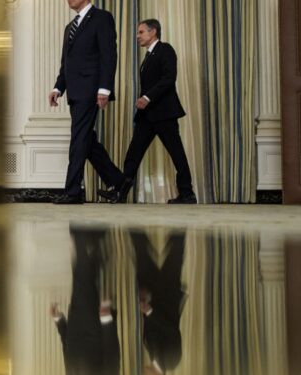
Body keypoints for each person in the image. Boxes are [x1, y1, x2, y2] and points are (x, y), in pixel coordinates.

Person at [99, 19, 196, 204]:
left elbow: (169, 78)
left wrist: (147, 98)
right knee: (133, 154)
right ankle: (120, 193)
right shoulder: (148, 56)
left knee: (177, 154)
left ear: (153, 32)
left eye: (141, 32)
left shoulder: (165, 49)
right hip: (147, 116)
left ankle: (187, 194)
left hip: (164, 113)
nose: (137, 36)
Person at [49, 0, 130, 204]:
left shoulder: (102, 18)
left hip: (91, 89)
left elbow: (108, 55)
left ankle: (73, 192)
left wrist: (104, 88)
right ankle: (119, 181)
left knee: (78, 139)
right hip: (75, 92)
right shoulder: (70, 26)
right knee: (87, 141)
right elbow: (65, 63)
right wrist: (58, 87)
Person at [49, 226, 120, 375]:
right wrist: (107, 319)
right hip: (93, 324)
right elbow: (112, 354)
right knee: (82, 273)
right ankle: (80, 228)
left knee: (82, 273)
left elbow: (66, 352)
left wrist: (59, 320)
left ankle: (94, 234)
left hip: (75, 322)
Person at [131, 228, 186, 374]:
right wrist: (149, 311)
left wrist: (143, 301)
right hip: (168, 293)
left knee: (140, 250)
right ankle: (181, 210)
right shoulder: (172, 360)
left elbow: (149, 324)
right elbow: (172, 331)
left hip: (150, 292)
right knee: (176, 250)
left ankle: (131, 213)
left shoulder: (151, 353)